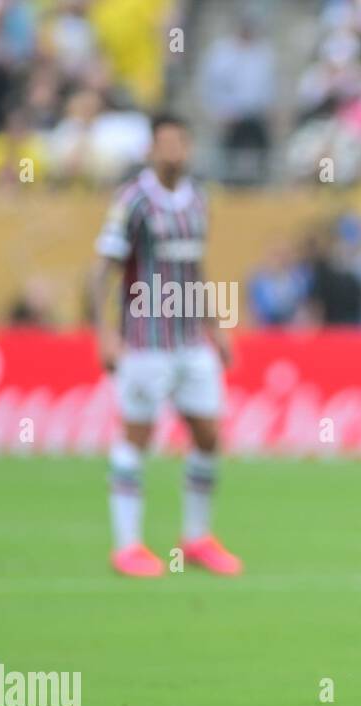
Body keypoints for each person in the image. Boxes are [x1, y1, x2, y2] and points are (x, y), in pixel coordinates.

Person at [91, 114, 242, 578]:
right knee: (136, 438)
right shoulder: (133, 201)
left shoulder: (199, 199)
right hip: (145, 340)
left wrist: (217, 326)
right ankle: (127, 545)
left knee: (209, 434)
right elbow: (103, 271)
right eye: (164, 143)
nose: (173, 151)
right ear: (151, 150)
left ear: (189, 148)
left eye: (180, 142)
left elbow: (196, 268)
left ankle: (196, 538)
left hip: (190, 338)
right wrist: (106, 333)